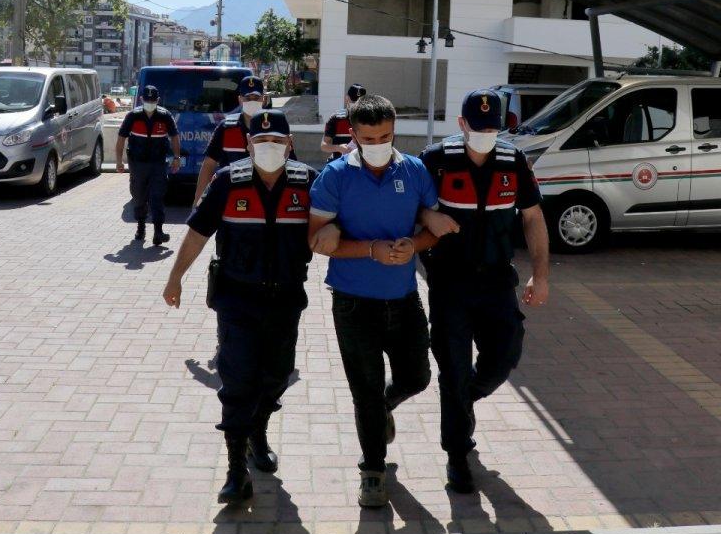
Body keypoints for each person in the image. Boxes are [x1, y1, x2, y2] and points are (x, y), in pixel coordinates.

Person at [163, 109, 335, 505]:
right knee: (238, 379)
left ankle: (258, 429)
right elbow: (197, 233)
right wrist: (175, 278)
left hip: (286, 298)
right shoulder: (228, 181)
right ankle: (236, 469)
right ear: (248, 145)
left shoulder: (309, 183)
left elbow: (331, 227)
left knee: (276, 376)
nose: (269, 148)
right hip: (237, 298)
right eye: (261, 142)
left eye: (277, 141)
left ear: (290, 144)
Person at [307, 94, 440, 509]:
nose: (379, 142)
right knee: (363, 391)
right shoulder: (334, 177)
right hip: (353, 303)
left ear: (394, 130)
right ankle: (372, 471)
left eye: (385, 135)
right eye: (369, 137)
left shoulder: (415, 170)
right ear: (353, 134)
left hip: (403, 299)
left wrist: (412, 244)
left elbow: (431, 228)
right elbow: (315, 239)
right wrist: (370, 250)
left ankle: (384, 406)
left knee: (417, 378)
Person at [418, 88, 551, 494]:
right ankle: (458, 453)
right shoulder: (435, 160)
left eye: (493, 127)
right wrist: (429, 215)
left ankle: (463, 401)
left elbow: (532, 218)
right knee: (453, 369)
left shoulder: (514, 161)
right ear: (461, 125)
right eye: (478, 128)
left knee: (504, 357)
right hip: (450, 282)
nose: (485, 134)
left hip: (496, 281)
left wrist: (540, 274)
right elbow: (411, 209)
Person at [116, 85, 181, 244]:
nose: (150, 102)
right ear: (141, 99)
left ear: (158, 100)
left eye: (153, 100)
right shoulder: (133, 116)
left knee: (157, 197)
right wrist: (119, 161)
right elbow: (121, 139)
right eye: (147, 100)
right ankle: (140, 227)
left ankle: (158, 232)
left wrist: (177, 157)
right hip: (138, 164)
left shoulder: (165, 116)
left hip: (158, 164)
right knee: (138, 196)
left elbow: (174, 137)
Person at [192, 75, 266, 203]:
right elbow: (208, 165)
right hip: (229, 199)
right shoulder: (226, 127)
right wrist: (198, 204)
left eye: (256, 98)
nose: (252, 101)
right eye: (247, 98)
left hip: (263, 199)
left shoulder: (275, 128)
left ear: (263, 100)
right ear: (240, 100)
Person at [320, 83, 366, 161]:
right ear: (347, 98)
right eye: (354, 100)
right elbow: (324, 145)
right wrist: (339, 148)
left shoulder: (370, 119)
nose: (356, 104)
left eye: (360, 101)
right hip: (340, 165)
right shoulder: (336, 118)